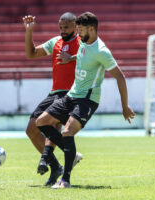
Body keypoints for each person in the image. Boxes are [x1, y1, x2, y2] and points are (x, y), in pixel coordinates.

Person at [36, 12, 135, 189]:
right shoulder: (83, 41)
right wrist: (71, 58)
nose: (78, 34)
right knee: (41, 122)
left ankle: (65, 180)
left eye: (80, 30)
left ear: (91, 29)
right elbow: (83, 55)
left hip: (87, 99)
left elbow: (120, 77)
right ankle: (71, 154)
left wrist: (125, 106)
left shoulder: (102, 51)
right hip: (72, 95)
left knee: (67, 132)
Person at [23, 12, 81, 186]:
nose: (63, 30)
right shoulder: (55, 41)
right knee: (31, 129)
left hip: (72, 93)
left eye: (66, 27)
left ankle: (61, 156)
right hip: (54, 92)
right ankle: (55, 166)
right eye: (60, 27)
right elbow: (31, 54)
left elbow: (92, 56)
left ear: (75, 26)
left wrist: (72, 58)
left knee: (51, 124)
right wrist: (29, 32)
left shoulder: (83, 43)